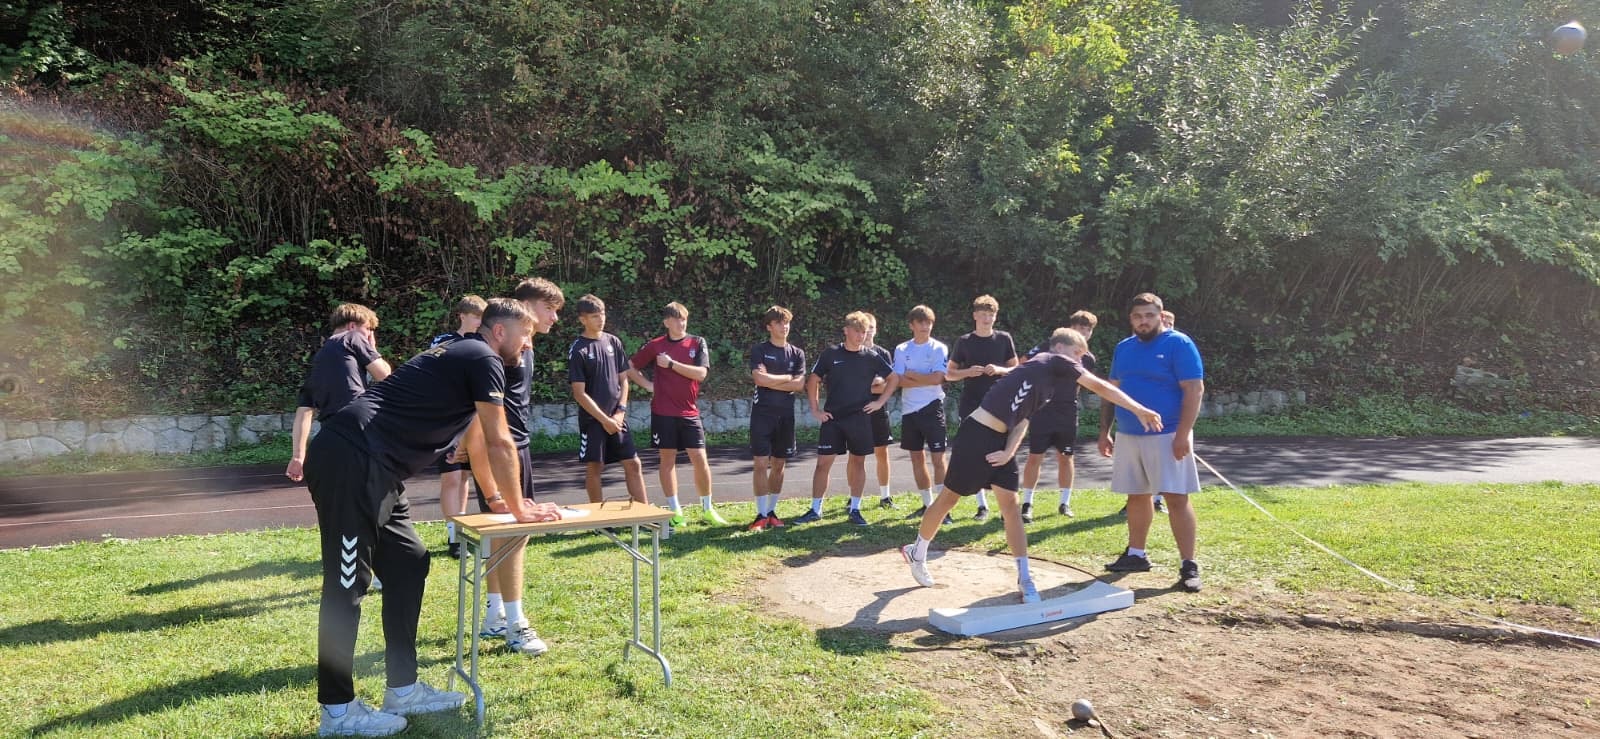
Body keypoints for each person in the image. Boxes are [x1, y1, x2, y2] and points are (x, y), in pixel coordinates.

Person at [303, 298, 559, 737]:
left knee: (409, 562)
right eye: (526, 334)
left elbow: (478, 438)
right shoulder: (483, 357)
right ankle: (338, 711)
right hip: (352, 458)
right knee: (347, 584)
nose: (529, 344)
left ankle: (402, 689)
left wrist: (497, 498)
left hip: (380, 468)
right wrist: (521, 508)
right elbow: (499, 441)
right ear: (499, 331)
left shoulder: (465, 355)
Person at [901, 328, 1162, 603]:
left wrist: (1008, 452)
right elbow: (1100, 386)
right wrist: (1139, 409)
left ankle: (1024, 578)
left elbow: (1022, 421)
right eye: (1077, 354)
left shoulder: (1047, 385)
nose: (1080, 361)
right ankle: (917, 552)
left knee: (1011, 509)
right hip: (976, 435)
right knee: (949, 499)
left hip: (1001, 442)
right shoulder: (1051, 359)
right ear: (1060, 348)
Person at [458, 279, 565, 657]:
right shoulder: (497, 350)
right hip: (502, 450)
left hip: (515, 447)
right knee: (515, 534)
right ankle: (516, 625)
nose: (554, 318)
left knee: (506, 535)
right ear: (525, 307)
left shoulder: (521, 347)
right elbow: (477, 418)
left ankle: (495, 616)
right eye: (549, 308)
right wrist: (490, 489)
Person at [1099, 293, 1206, 593]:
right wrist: (1105, 430)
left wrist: (1183, 434)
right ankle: (1136, 554)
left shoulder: (1179, 344)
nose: (1143, 321)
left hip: (1167, 434)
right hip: (1129, 434)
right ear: (1131, 319)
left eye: (1149, 315)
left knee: (1176, 497)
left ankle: (1188, 564)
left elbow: (1194, 390)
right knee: (1136, 495)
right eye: (1137, 316)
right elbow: (1111, 391)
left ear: (1160, 316)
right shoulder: (1124, 348)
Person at [628, 302, 726, 527]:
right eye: (676, 319)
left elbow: (701, 374)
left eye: (684, 318)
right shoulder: (656, 345)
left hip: (689, 412)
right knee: (667, 460)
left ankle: (708, 509)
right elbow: (629, 366)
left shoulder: (697, 342)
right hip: (663, 412)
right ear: (667, 322)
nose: (681, 323)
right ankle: (675, 511)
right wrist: (649, 385)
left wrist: (671, 364)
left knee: (700, 458)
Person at [797, 311, 898, 526]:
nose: (861, 335)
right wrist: (815, 409)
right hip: (833, 418)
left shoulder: (871, 356)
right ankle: (815, 509)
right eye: (857, 331)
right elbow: (813, 380)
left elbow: (893, 378)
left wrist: (879, 402)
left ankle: (855, 509)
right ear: (846, 330)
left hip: (859, 419)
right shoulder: (831, 354)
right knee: (823, 464)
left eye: (864, 331)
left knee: (858, 462)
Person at [286, 303, 392, 483]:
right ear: (352, 325)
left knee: (346, 485)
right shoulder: (352, 336)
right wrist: (373, 349)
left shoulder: (319, 359)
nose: (369, 335)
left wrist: (298, 456)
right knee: (380, 485)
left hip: (331, 430)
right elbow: (385, 375)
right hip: (358, 423)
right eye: (368, 329)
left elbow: (304, 411)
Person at [1018, 310, 1098, 521]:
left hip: (1067, 412)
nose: (1083, 333)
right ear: (1071, 328)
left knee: (1066, 456)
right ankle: (1027, 503)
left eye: (1088, 329)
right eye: (1080, 328)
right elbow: (1022, 363)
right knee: (1035, 456)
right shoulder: (1049, 346)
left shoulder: (1087, 358)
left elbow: (1082, 384)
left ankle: (1065, 503)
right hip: (1041, 410)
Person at [568, 294, 648, 505]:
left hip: (617, 418)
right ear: (583, 319)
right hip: (594, 421)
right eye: (595, 316)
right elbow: (579, 393)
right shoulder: (578, 350)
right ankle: (599, 518)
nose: (601, 319)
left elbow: (624, 380)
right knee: (595, 467)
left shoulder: (613, 341)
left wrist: (620, 411)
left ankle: (644, 514)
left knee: (633, 464)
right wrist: (604, 420)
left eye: (602, 314)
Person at [945, 294, 1019, 520]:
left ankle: (1006, 507)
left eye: (991, 314)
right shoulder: (964, 341)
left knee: (1002, 451)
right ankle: (982, 506)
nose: (987, 318)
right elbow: (949, 374)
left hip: (1000, 405)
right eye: (983, 314)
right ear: (975, 315)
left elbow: (1016, 369)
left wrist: (1000, 370)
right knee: (974, 453)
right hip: (972, 405)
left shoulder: (1004, 339)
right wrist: (968, 372)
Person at [430, 295, 486, 559]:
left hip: (475, 418)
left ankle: (461, 532)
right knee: (451, 477)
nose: (479, 322)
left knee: (464, 477)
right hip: (448, 419)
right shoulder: (443, 341)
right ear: (462, 316)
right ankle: (453, 537)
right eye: (476, 316)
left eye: (483, 317)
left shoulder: (484, 342)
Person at [893, 305, 953, 525]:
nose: (925, 326)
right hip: (910, 410)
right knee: (917, 459)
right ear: (912, 325)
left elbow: (938, 378)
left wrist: (913, 376)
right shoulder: (901, 349)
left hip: (932, 407)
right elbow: (898, 380)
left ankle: (943, 510)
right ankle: (928, 505)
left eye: (928, 323)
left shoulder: (938, 348)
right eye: (921, 323)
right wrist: (923, 378)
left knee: (939, 459)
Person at [747, 306, 806, 531]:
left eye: (787, 322)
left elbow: (799, 385)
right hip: (762, 414)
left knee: (779, 464)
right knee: (761, 463)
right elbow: (759, 379)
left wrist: (773, 381)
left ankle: (771, 512)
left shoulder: (797, 353)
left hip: (786, 416)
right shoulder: (760, 350)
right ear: (769, 327)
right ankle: (760, 514)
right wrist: (786, 378)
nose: (784, 326)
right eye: (779, 323)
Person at [862, 313, 897, 508]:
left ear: (876, 330)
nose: (868, 331)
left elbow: (888, 385)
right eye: (865, 327)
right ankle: (854, 497)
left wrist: (876, 384)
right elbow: (850, 386)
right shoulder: (851, 352)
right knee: (856, 456)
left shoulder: (883, 353)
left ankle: (885, 496)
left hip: (879, 408)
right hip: (856, 409)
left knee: (881, 453)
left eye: (872, 327)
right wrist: (873, 383)